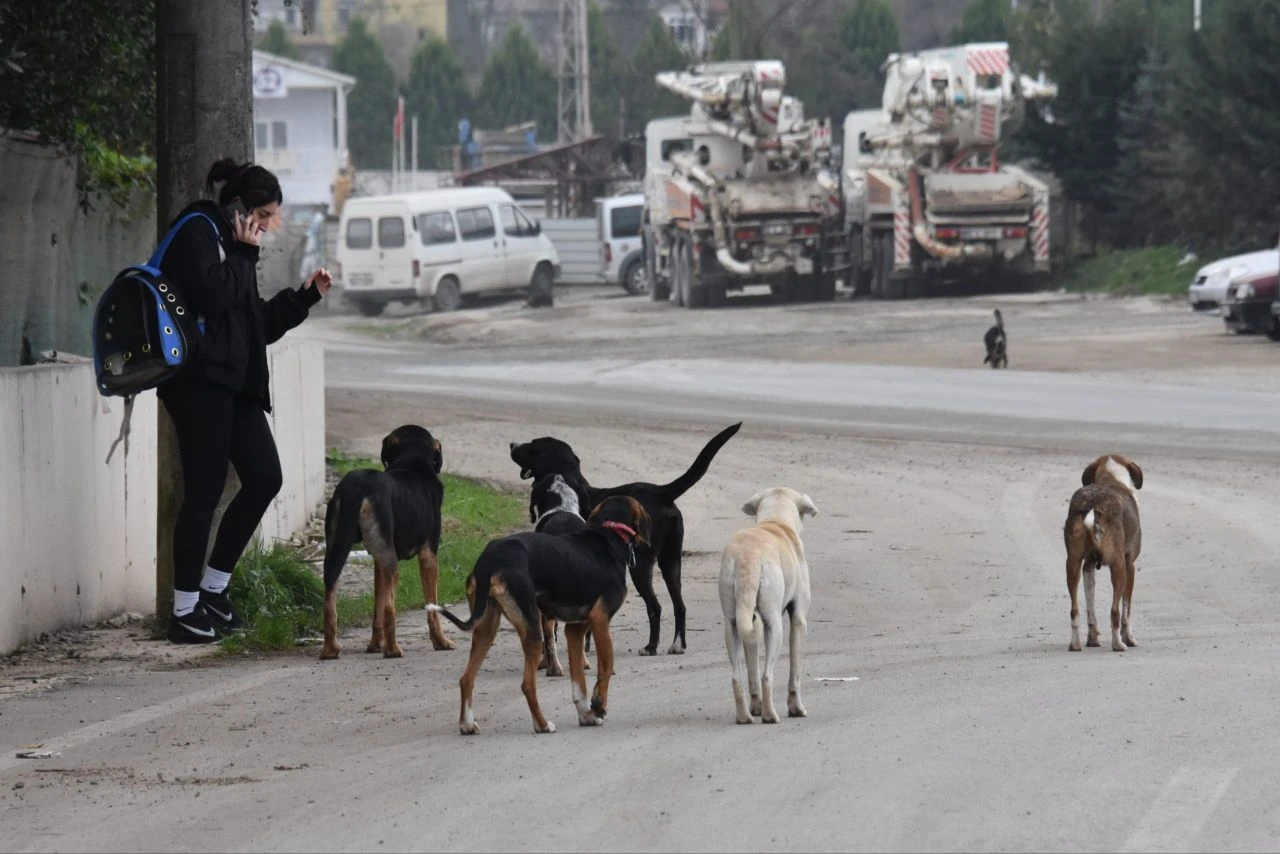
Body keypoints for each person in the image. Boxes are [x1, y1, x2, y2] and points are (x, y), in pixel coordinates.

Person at [159, 158, 332, 644]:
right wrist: (244, 254)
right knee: (204, 493)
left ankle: (214, 591)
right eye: (266, 215)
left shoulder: (233, 249)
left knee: (264, 477)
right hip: (198, 384)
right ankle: (184, 610)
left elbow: (251, 324)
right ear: (240, 209)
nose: (271, 226)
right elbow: (213, 299)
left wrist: (304, 298)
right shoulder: (198, 232)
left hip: (233, 386)